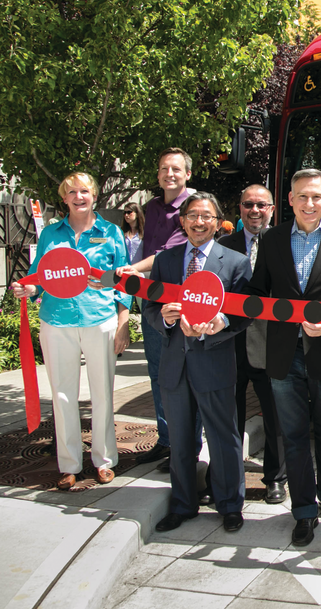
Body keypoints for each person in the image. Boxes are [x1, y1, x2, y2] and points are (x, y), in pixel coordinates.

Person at [245, 170, 321, 546]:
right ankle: (303, 511)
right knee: (292, 435)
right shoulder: (272, 239)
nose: (309, 203)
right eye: (301, 197)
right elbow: (257, 291)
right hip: (283, 355)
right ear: (291, 200)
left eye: (316, 196)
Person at [11, 173, 132, 490]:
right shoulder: (51, 234)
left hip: (99, 319)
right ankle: (69, 464)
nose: (79, 197)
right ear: (64, 198)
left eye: (85, 191)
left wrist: (123, 322)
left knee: (102, 394)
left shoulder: (110, 233)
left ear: (95, 195)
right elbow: (39, 277)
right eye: (72, 192)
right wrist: (27, 290)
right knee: (63, 395)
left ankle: (104, 461)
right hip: (57, 321)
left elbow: (123, 280)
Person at [146, 192, 252, 534]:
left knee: (224, 438)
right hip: (175, 365)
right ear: (183, 221)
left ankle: (230, 506)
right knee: (179, 439)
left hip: (214, 362)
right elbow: (148, 309)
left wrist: (220, 323)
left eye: (207, 215)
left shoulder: (235, 262)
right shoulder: (165, 261)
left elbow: (244, 312)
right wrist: (164, 318)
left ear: (218, 222)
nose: (199, 221)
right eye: (192, 215)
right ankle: (182, 504)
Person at [219, 185, 288, 506]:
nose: (255, 210)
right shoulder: (222, 245)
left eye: (262, 205)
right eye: (248, 204)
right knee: (227, 415)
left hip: (270, 343)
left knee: (274, 416)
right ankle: (225, 477)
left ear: (273, 209)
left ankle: (275, 478)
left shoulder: (285, 242)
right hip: (229, 343)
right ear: (240, 208)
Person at [127, 148, 194, 472]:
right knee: (157, 372)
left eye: (176, 169)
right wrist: (135, 274)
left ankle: (185, 446)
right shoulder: (152, 208)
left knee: (185, 376)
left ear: (187, 174)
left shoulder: (192, 208)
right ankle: (166, 439)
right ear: (158, 175)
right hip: (152, 300)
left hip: (181, 302)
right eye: (164, 168)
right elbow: (146, 246)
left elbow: (168, 253)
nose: (170, 174)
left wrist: (130, 269)